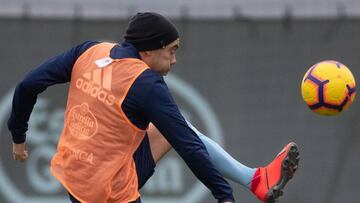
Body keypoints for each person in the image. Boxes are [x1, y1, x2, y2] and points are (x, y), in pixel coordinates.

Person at [7, 12, 299, 203]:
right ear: (147, 50)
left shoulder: (90, 51)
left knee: (168, 128)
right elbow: (188, 146)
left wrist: (18, 138)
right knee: (179, 131)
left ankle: (255, 179)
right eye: (171, 50)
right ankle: (253, 180)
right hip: (108, 192)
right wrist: (224, 196)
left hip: (75, 177)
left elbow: (27, 85)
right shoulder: (145, 84)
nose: (174, 60)